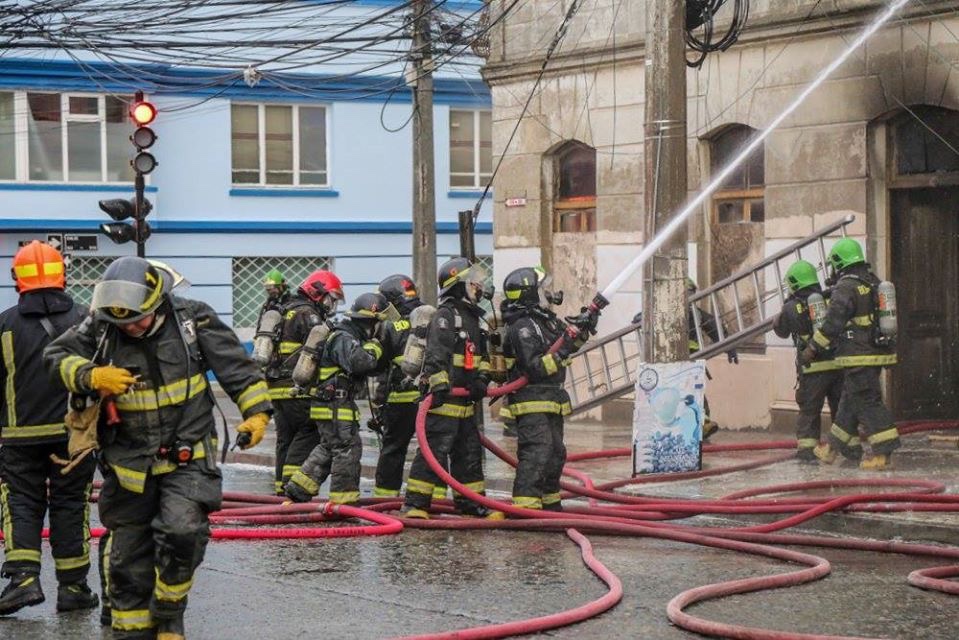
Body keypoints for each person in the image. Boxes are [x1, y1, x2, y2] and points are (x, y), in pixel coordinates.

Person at [44, 256, 272, 640]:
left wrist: (257, 415)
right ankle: (130, 631)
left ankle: (169, 612)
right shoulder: (103, 326)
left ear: (158, 303)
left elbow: (239, 370)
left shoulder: (192, 321)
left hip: (188, 454)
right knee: (127, 559)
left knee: (183, 532)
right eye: (122, 322)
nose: (130, 327)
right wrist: (90, 375)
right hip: (128, 461)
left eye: (137, 319)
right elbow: (55, 359)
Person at [0, 241, 97, 616]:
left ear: (16, 279)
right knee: (71, 505)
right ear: (63, 276)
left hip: (19, 437)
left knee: (21, 502)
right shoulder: (87, 321)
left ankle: (23, 579)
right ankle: (73, 588)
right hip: (76, 438)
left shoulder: (5, 325)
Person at [400, 257, 503, 520]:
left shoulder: (473, 319)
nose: (480, 286)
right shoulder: (446, 315)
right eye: (474, 282)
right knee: (432, 454)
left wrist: (482, 378)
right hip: (443, 403)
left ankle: (471, 505)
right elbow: (437, 355)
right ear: (459, 285)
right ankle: (415, 505)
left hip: (466, 404)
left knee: (468, 457)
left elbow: (481, 356)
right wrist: (440, 386)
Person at [804, 238, 900, 470]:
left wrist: (813, 348)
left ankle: (883, 454)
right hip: (873, 353)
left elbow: (833, 322)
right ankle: (831, 448)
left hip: (858, 355)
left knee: (868, 402)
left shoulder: (846, 286)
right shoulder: (872, 281)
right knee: (849, 401)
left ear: (839, 262)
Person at [284, 293, 387, 505]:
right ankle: (344, 503)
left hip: (332, 404)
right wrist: (375, 347)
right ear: (370, 321)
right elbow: (360, 363)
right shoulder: (343, 337)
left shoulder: (348, 336)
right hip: (334, 405)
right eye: (378, 323)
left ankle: (298, 490)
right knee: (347, 449)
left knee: (330, 447)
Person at [500, 267, 588, 511]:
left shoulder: (546, 321)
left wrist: (586, 327)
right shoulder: (523, 327)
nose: (548, 292)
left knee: (556, 453)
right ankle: (525, 508)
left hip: (551, 398)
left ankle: (550, 503)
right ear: (530, 294)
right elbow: (534, 367)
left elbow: (569, 344)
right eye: (542, 288)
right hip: (531, 400)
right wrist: (561, 351)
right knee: (538, 451)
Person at [263, 270, 343, 494]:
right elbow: (321, 350)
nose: (331, 304)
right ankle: (292, 486)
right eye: (330, 298)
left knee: (285, 437)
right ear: (318, 293)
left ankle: (280, 487)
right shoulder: (308, 315)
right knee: (308, 430)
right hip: (296, 387)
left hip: (276, 387)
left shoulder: (284, 310)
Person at [369, 275, 446, 501]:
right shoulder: (436, 316)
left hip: (401, 400)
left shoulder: (390, 325)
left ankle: (386, 498)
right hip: (432, 397)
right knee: (433, 449)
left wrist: (379, 402)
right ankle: (438, 499)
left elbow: (379, 366)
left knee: (393, 449)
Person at [772, 260, 844, 462]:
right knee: (840, 408)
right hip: (838, 366)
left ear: (794, 283)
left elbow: (782, 331)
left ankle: (807, 451)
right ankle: (846, 448)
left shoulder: (791, 307)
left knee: (810, 410)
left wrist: (782, 313)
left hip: (813, 369)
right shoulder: (829, 300)